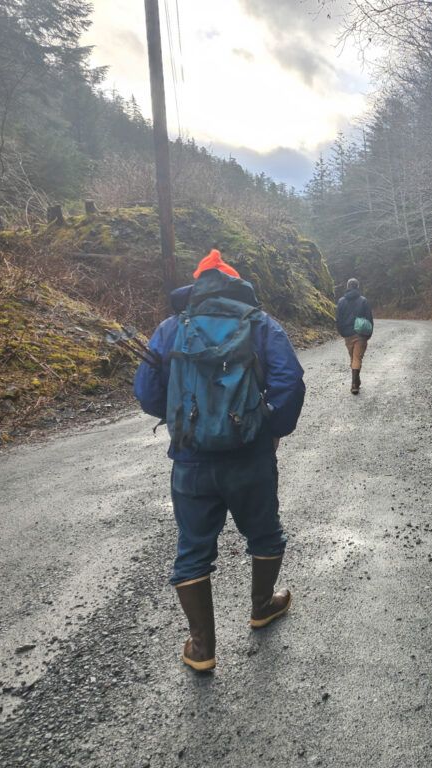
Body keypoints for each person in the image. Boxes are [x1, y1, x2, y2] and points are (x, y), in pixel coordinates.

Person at [134, 249, 305, 672]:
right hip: (250, 455)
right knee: (264, 533)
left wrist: (182, 419)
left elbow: (147, 391)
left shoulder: (171, 327)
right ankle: (263, 606)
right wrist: (270, 428)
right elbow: (290, 382)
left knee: (193, 549)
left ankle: (201, 647)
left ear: (196, 289)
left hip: (191, 460)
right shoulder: (261, 324)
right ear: (236, 285)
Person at [335, 277, 374, 395]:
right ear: (357, 287)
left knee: (353, 358)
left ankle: (356, 380)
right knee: (357, 358)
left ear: (347, 287)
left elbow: (338, 320)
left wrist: (342, 332)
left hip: (347, 335)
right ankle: (355, 384)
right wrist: (368, 334)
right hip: (361, 333)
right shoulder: (363, 301)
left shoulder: (341, 301)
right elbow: (369, 319)